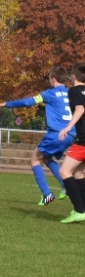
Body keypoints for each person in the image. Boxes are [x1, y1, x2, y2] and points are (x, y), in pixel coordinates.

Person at [0, 66, 72, 205]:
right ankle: (65, 185)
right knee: (46, 158)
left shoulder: (49, 93)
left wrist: (7, 104)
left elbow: (27, 102)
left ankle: (47, 194)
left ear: (53, 79)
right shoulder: (71, 93)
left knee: (34, 160)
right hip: (71, 134)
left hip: (56, 134)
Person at [56, 64, 85, 223]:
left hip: (83, 140)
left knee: (64, 171)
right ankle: (83, 209)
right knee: (78, 173)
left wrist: (67, 127)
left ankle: (79, 210)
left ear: (73, 76)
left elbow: (80, 109)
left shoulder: (74, 91)